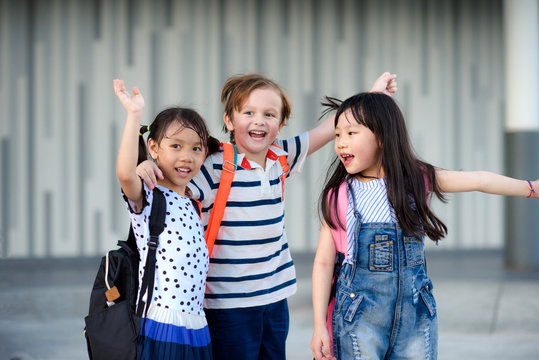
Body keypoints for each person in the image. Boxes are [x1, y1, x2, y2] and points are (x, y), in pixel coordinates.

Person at [136, 73, 397, 359]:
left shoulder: (282, 156)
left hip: (274, 297)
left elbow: (328, 128)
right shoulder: (213, 165)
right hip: (227, 302)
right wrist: (147, 167)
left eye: (269, 114)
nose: (259, 120)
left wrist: (372, 99)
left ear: (281, 124)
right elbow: (173, 179)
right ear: (229, 121)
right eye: (248, 112)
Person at [310, 92, 539, 360]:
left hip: (415, 315)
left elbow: (479, 180)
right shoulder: (338, 195)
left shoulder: (417, 179)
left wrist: (531, 188)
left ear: (381, 136)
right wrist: (318, 327)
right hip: (357, 318)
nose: (341, 143)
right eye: (337, 135)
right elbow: (324, 263)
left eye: (351, 133)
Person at [114, 78, 219, 359]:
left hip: (195, 325)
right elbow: (125, 175)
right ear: (154, 147)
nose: (187, 157)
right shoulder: (150, 197)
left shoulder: (193, 203)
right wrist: (133, 115)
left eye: (196, 148)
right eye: (176, 146)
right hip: (162, 325)